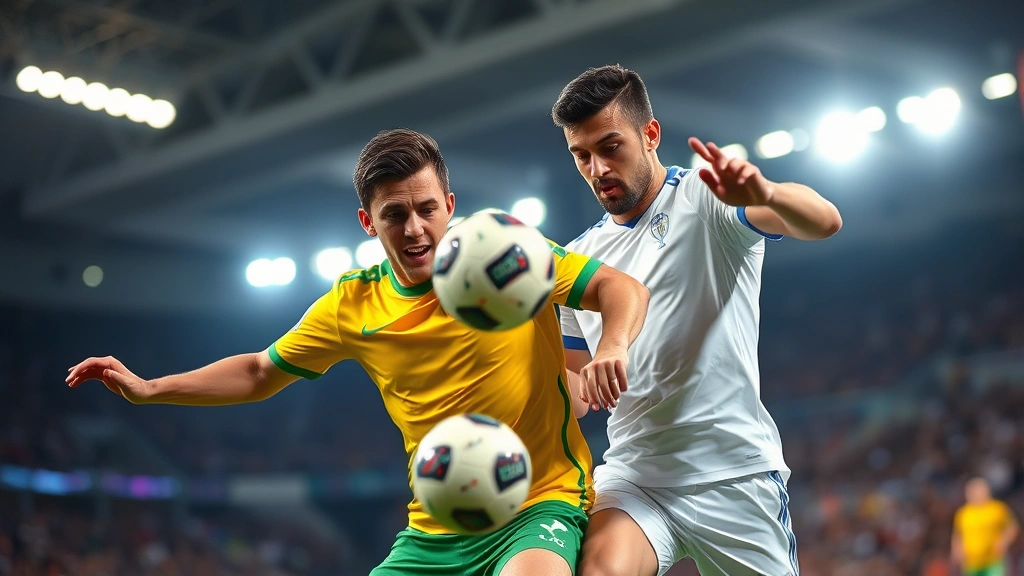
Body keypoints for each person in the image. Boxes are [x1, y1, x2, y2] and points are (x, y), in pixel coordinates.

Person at [66, 128, 650, 576]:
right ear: (369, 222)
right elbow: (257, 371)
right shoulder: (352, 305)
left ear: (450, 203)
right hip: (436, 527)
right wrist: (150, 389)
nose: (415, 228)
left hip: (538, 503)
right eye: (395, 215)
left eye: (426, 209)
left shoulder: (504, 252)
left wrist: (613, 344)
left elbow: (617, 287)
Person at [551, 65, 843, 576]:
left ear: (650, 134)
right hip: (636, 478)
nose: (597, 168)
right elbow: (573, 394)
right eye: (582, 155)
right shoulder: (579, 259)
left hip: (734, 473)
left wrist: (765, 194)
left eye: (610, 147)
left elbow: (825, 221)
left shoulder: (705, 200)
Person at [951, 477, 1019, 576]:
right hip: (971, 563)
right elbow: (958, 535)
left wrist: (1004, 541)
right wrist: (957, 551)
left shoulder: (998, 509)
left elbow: (1012, 527)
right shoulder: (963, 513)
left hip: (993, 561)